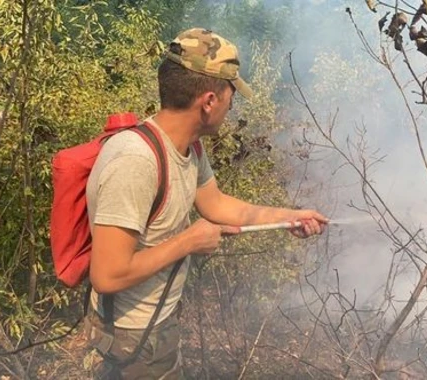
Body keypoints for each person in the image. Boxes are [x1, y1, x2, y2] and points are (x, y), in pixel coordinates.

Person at [84, 27, 328, 379]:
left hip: (157, 322)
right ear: (210, 100)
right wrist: (188, 241)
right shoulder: (135, 161)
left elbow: (216, 205)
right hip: (132, 335)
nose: (232, 105)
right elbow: (107, 275)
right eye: (231, 95)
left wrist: (292, 217)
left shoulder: (188, 146)